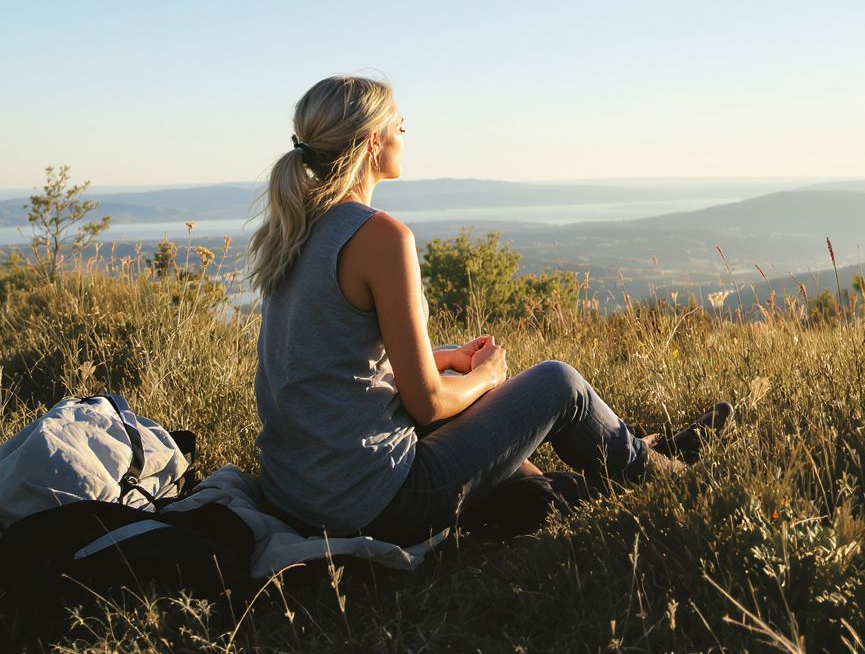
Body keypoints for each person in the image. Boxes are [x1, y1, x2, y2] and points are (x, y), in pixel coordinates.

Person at [249, 75, 731, 547]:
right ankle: (672, 478)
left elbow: (329, 363)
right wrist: (487, 375)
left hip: (296, 495)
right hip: (375, 505)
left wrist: (446, 359)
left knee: (490, 426)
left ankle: (605, 465)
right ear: (374, 142)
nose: (404, 135)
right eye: (400, 125)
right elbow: (429, 404)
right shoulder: (381, 238)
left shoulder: (294, 229)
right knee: (557, 384)